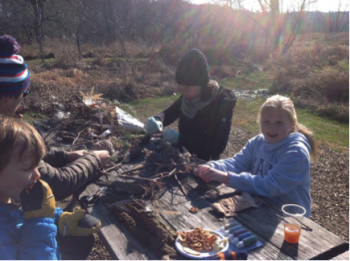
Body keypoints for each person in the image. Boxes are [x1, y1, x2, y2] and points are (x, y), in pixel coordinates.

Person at [0, 34, 110, 200]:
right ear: (8, 97)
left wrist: (64, 156)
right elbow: (57, 184)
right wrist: (94, 159)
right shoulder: (5, 135)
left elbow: (18, 160)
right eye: (23, 92)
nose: (24, 98)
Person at [194, 95, 318, 218]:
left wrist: (226, 178)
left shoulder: (296, 152)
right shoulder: (257, 142)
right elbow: (236, 163)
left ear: (292, 124)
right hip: (260, 206)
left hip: (290, 219)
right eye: (266, 122)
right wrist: (210, 167)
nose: (271, 128)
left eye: (279, 123)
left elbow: (270, 185)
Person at [0, 115, 101, 260]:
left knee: (82, 240)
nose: (37, 174)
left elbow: (22, 218)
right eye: (28, 168)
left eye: (37, 165)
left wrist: (59, 219)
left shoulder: (9, 199)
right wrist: (40, 222)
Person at [145, 49, 237, 161]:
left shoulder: (222, 103)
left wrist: (180, 140)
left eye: (187, 87)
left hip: (205, 165)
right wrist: (158, 119)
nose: (183, 91)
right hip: (183, 157)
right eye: (181, 87)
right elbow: (170, 112)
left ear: (201, 83)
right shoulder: (188, 97)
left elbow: (217, 146)